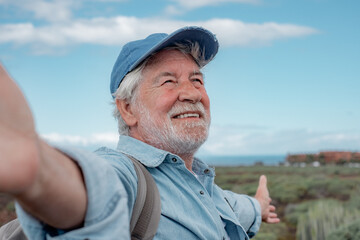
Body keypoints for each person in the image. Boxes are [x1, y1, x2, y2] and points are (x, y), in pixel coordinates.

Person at [0, 26, 279, 239]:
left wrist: (260, 205)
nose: (192, 93)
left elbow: (243, 208)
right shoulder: (126, 177)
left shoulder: (209, 190)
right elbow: (97, 192)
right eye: (168, 81)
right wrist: (40, 171)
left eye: (197, 80)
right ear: (127, 109)